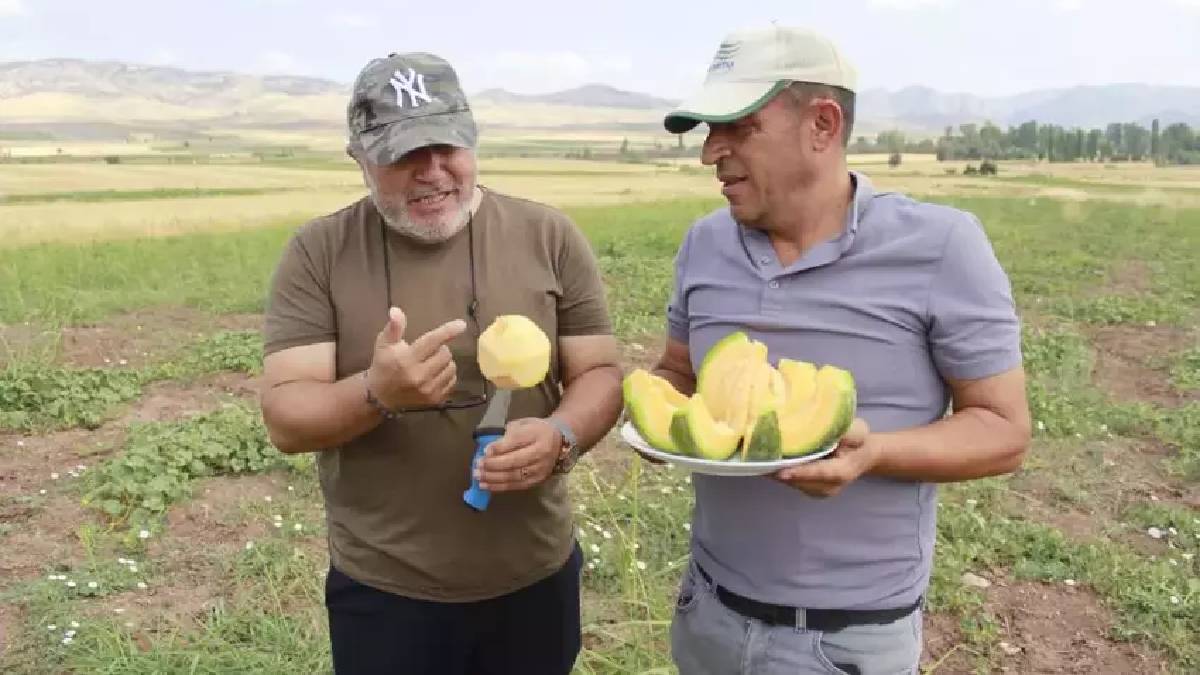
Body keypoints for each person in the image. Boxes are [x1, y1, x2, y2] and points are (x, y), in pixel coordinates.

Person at [649, 26, 1032, 674]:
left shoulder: (941, 246)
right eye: (708, 130)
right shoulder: (703, 244)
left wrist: (875, 453)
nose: (711, 151)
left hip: (845, 644)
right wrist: (656, 418)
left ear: (822, 124)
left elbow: (1005, 430)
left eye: (737, 126)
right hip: (707, 618)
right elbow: (676, 372)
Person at [258, 51, 623, 675]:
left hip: (534, 578)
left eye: (446, 146)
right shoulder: (318, 252)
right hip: (386, 592)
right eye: (404, 154)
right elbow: (287, 418)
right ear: (360, 156)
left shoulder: (549, 236)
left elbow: (600, 374)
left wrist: (562, 436)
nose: (431, 172)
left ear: (472, 136)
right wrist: (376, 392)